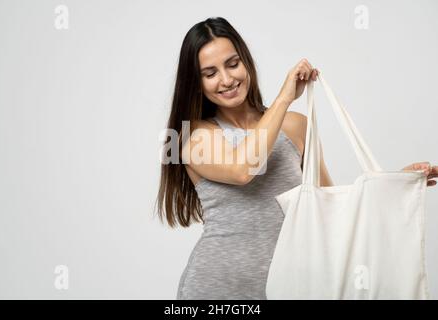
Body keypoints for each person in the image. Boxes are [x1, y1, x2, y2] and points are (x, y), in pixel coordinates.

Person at [155, 17, 437, 300]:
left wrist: (395, 185)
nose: (227, 80)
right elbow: (243, 169)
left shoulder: (295, 126)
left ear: (245, 62)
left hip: (289, 289)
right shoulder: (191, 137)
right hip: (216, 290)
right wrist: (283, 98)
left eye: (232, 64)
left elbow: (333, 210)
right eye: (210, 73)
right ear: (196, 82)